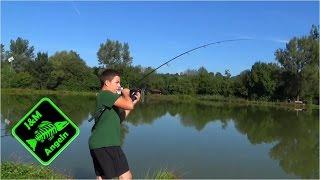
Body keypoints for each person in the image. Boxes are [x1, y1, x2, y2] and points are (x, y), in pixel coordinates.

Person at [89, 69, 140, 179]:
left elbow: (120, 118)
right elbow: (128, 105)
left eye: (119, 83)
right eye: (117, 82)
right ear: (107, 83)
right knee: (126, 177)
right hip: (107, 143)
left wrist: (133, 101)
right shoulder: (106, 94)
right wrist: (126, 94)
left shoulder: (107, 99)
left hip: (98, 144)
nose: (119, 86)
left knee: (102, 177)